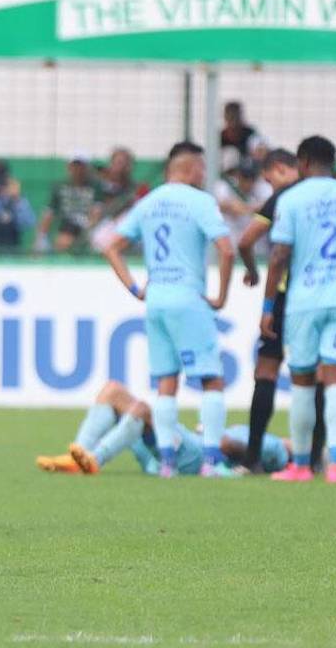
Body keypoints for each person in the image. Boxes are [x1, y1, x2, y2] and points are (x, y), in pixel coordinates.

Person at [103, 141, 236, 478]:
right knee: (211, 380)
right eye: (202, 168)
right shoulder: (201, 202)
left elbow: (111, 246)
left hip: (156, 300)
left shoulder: (148, 203)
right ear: (191, 169)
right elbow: (227, 249)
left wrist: (136, 288)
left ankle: (166, 464)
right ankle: (211, 462)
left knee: (166, 382)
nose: (204, 174)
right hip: (188, 298)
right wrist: (220, 296)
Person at [263, 135, 336, 484]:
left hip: (304, 302)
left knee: (302, 382)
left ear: (303, 163)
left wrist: (268, 306)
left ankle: (300, 465)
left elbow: (280, 255)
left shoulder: (292, 199)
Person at [237, 149, 326, 473]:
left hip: (288, 296)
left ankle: (252, 458)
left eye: (268, 178)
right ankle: (315, 458)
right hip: (324, 294)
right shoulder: (333, 197)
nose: (269, 185)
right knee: (317, 376)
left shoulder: (285, 199)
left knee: (267, 369)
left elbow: (246, 241)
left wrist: (252, 272)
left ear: (279, 169)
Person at [37, 381, 290, 476]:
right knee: (111, 390)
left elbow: (237, 448)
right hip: (182, 445)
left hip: (193, 455)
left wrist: (220, 441)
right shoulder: (251, 432)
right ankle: (77, 455)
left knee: (144, 411)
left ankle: (95, 460)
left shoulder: (271, 445)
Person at [35, 155, 103, 253]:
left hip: (90, 226)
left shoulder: (96, 187)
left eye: (81, 166)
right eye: (74, 166)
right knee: (62, 241)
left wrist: (89, 230)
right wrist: (41, 238)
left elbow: (97, 211)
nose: (77, 170)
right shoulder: (59, 187)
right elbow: (49, 212)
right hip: (67, 226)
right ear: (69, 167)